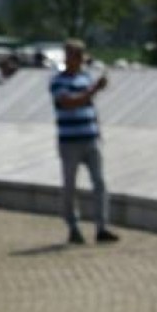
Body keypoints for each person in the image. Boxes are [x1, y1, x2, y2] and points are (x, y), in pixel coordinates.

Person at [49, 40, 115, 246]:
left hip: (89, 137)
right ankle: (73, 227)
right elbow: (69, 103)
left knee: (100, 183)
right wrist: (94, 89)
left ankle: (101, 227)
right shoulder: (58, 81)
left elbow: (89, 104)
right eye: (75, 55)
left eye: (80, 55)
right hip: (70, 142)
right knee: (70, 186)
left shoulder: (85, 78)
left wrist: (97, 129)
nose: (79, 59)